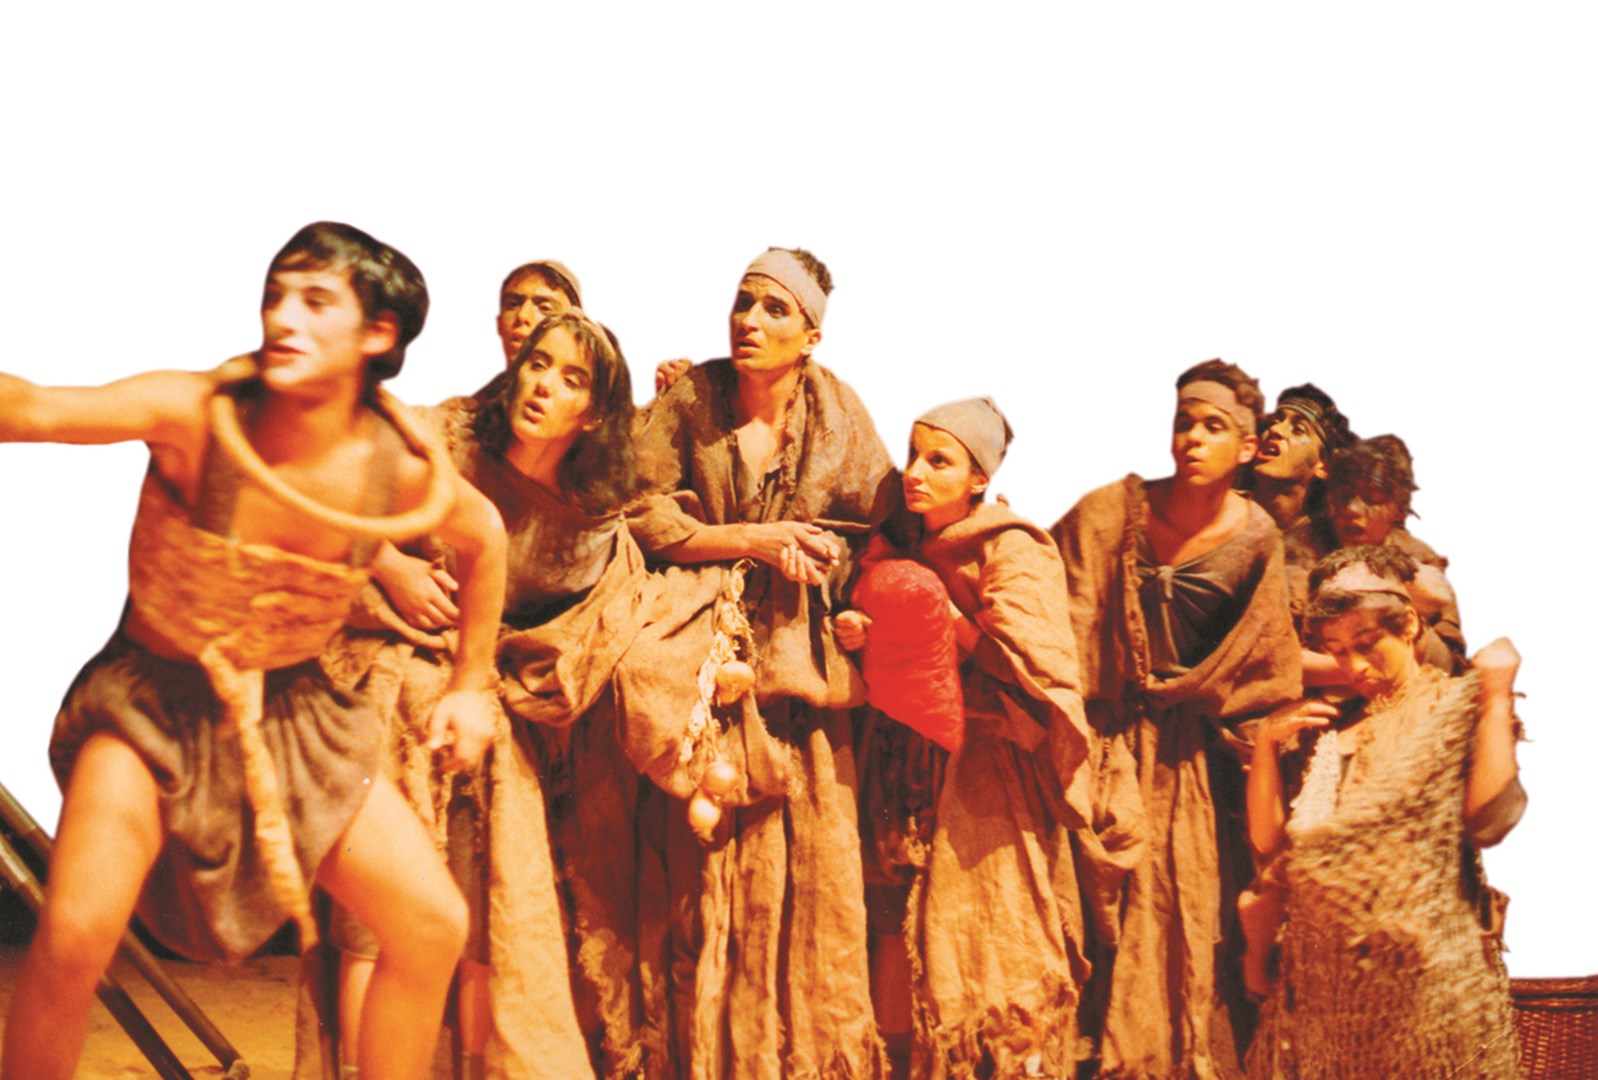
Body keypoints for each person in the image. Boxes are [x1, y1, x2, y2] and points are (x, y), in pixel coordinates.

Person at [0, 221, 508, 1080]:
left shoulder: (396, 465)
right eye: (276, 295)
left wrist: (470, 683)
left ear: (377, 333)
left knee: (431, 926)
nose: (283, 318)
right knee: (76, 932)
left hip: (295, 716)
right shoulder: (196, 414)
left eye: (316, 302)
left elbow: (485, 536)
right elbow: (34, 408)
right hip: (151, 707)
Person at [308, 311, 642, 1078]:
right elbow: (331, 484)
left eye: (571, 378)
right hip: (384, 689)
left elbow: (585, 620)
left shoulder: (588, 519)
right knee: (371, 923)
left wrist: (510, 674)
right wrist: (390, 564)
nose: (544, 384)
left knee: (485, 921)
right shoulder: (447, 445)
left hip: (486, 722)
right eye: (538, 363)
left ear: (593, 413)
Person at [615, 247, 898, 1077]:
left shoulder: (841, 418)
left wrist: (843, 586)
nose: (749, 320)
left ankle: (797, 1058)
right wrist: (750, 539)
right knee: (696, 877)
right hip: (699, 668)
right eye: (744, 301)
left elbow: (878, 532)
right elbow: (638, 512)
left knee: (812, 874)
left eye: (776, 309)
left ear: (811, 337)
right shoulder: (691, 400)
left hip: (799, 676)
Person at [1051, 359, 1302, 1078]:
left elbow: (1264, 659)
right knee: (1087, 917)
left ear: (1247, 448)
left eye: (1213, 427)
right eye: (1184, 422)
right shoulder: (1108, 512)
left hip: (1192, 763)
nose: (1193, 438)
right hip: (1098, 740)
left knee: (1179, 916)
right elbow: (1055, 612)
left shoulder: (1256, 538)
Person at [834, 398, 1092, 1078]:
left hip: (987, 764)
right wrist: (862, 631)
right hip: (899, 752)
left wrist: (946, 620)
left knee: (991, 920)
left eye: (939, 461)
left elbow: (1038, 664)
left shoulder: (1013, 547)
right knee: (891, 912)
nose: (915, 473)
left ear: (979, 479)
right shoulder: (896, 542)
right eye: (913, 455)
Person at [1245, 549, 1524, 1078]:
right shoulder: (1332, 734)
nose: (1354, 667)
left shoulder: (1451, 710)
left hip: (1429, 989)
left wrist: (1495, 698)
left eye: (1367, 644)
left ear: (1409, 626)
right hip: (1329, 994)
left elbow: (1490, 819)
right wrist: (1265, 745)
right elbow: (1271, 846)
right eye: (1337, 652)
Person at [1284, 435, 1466, 683]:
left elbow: (1449, 664)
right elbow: (1277, 657)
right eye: (1344, 495)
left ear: (1398, 509)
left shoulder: (1419, 560)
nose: (1352, 509)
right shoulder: (1298, 550)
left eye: (1372, 498)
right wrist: (1364, 669)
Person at [1241, 383, 1354, 533]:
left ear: (1324, 466)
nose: (1275, 429)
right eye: (1274, 422)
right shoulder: (1220, 512)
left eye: (1298, 430)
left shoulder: (1327, 543)